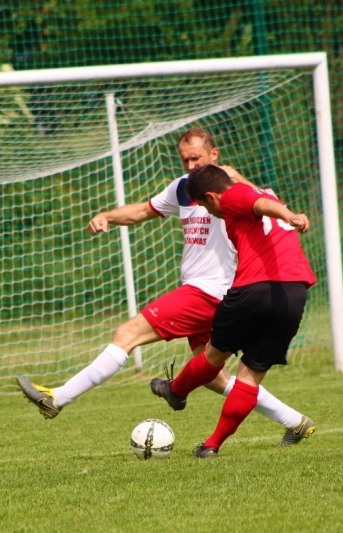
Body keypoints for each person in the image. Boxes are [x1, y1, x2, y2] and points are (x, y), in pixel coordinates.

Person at [17, 128, 315, 446]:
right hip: (200, 288)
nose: (189, 166)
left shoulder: (233, 190)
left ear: (215, 155)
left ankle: (58, 398)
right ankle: (295, 421)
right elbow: (145, 210)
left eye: (196, 158)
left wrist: (242, 180)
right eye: (184, 159)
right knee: (213, 377)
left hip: (213, 291)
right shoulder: (183, 189)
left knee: (128, 334)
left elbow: (262, 201)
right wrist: (107, 216)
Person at [150, 164, 316, 458]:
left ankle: (176, 391)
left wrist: (290, 216)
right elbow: (262, 199)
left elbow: (256, 202)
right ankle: (211, 445)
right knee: (251, 376)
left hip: (254, 287)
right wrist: (285, 212)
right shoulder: (264, 193)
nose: (207, 210)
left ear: (212, 197)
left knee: (214, 355)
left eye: (203, 204)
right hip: (293, 293)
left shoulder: (231, 197)